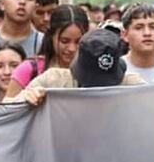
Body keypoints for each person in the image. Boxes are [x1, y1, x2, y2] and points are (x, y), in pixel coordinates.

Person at [9, 29, 143, 105]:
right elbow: (5, 109)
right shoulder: (52, 81)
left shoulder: (134, 87)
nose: (98, 91)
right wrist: (25, 98)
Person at [5, 5, 89, 98]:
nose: (72, 48)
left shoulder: (93, 71)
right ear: (51, 36)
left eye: (79, 42)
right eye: (64, 41)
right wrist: (25, 97)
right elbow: (6, 109)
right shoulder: (29, 69)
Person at [121, 3, 154, 84]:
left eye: (152, 27)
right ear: (125, 35)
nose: (147, 33)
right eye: (139, 28)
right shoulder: (116, 70)